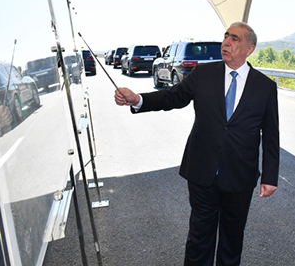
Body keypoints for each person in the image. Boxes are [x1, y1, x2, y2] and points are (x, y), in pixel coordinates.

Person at [115, 21, 279, 266]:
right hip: (203, 171)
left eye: (234, 39)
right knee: (199, 236)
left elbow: (271, 134)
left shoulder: (265, 86)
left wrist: (270, 176)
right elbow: (173, 97)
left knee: (232, 239)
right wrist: (138, 99)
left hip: (239, 176)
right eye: (226, 36)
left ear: (250, 49)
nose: (226, 42)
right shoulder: (204, 74)